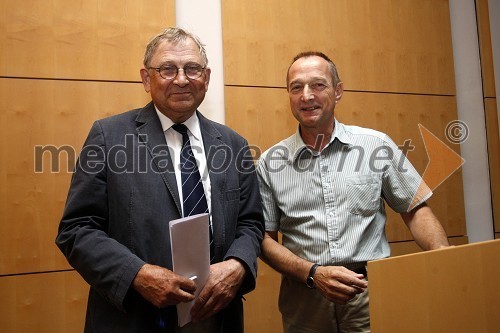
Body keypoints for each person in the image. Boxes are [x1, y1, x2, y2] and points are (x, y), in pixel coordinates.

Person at [56, 27, 264, 333]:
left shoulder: (233, 144)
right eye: (167, 68)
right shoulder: (108, 136)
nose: (181, 79)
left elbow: (251, 223)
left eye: (192, 68)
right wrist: (137, 274)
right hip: (135, 317)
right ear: (145, 78)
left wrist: (238, 265)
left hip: (216, 317)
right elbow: (77, 229)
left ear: (206, 77)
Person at [256, 51, 450, 333]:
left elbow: (415, 209)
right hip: (305, 301)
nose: (306, 95)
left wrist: (441, 254)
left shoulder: (375, 146)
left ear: (338, 91)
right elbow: (264, 240)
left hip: (370, 295)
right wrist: (313, 274)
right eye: (296, 87)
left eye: (318, 85)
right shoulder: (269, 163)